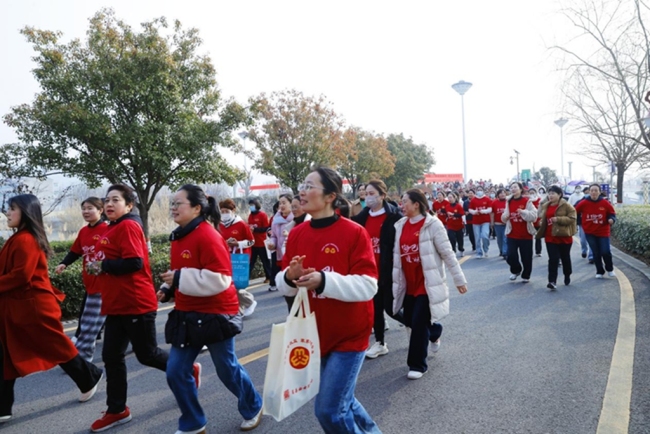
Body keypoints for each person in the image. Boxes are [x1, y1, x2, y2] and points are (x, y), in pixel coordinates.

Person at [277, 166, 381, 433]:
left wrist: (324, 281)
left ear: (330, 196)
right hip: (314, 334)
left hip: (350, 334)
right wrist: (290, 277)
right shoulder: (298, 233)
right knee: (342, 399)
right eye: (303, 185)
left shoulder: (354, 232)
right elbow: (286, 282)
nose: (302, 191)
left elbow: (368, 286)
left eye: (310, 186)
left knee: (329, 410)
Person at [87, 184, 197, 432]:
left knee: (146, 354)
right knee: (111, 356)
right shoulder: (113, 226)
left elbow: (134, 262)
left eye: (116, 200)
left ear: (129, 205)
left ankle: (187, 369)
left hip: (135, 303)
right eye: (107, 200)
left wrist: (103, 266)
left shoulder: (127, 225)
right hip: (117, 304)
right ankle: (117, 410)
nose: (109, 204)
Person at [158, 185, 263, 434]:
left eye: (178, 203)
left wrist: (179, 279)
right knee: (175, 371)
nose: (173, 208)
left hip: (216, 314)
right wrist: (168, 287)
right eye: (172, 203)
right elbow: (181, 271)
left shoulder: (208, 235)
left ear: (196, 208)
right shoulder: (179, 235)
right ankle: (194, 422)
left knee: (227, 369)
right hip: (186, 312)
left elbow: (220, 280)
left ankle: (253, 406)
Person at [0, 194, 103, 424]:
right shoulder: (19, 238)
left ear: (25, 212)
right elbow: (75, 252)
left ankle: (89, 377)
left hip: (33, 307)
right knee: (6, 353)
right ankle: (3, 406)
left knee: (56, 347)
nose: (8, 213)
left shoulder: (25, 239)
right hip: (21, 306)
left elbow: (20, 276)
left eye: (12, 209)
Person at [392, 189, 468, 380]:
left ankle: (418, 364)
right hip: (408, 284)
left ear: (416, 204)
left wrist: (459, 279)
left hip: (427, 284)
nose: (402, 205)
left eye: (405, 202)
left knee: (418, 323)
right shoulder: (400, 225)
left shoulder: (433, 225)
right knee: (409, 320)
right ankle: (435, 331)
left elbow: (448, 254)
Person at [351, 179, 402, 359]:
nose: (368, 197)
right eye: (366, 193)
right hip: (369, 272)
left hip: (389, 270)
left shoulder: (395, 217)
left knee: (391, 309)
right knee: (375, 308)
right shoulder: (361, 218)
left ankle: (423, 327)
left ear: (382, 195)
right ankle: (380, 342)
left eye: (372, 193)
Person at [55, 197, 109, 362]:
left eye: (90, 208)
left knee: (89, 326)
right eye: (84, 208)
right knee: (91, 323)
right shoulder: (84, 232)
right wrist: (64, 263)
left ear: (101, 210)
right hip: (90, 283)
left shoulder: (109, 229)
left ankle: (82, 362)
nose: (86, 211)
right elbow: (76, 251)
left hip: (106, 285)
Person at [219, 199, 257, 317]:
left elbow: (252, 241)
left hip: (240, 257)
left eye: (227, 211)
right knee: (228, 283)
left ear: (233, 210)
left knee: (236, 283)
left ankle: (249, 301)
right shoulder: (219, 224)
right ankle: (238, 308)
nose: (224, 213)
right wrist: (226, 243)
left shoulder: (241, 224)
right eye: (222, 211)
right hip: (226, 256)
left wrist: (238, 243)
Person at [536, 185, 577, 290]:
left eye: (553, 193)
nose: (550, 196)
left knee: (565, 258)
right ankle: (552, 281)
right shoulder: (546, 205)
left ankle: (567, 274)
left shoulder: (567, 206)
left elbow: (572, 218)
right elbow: (543, 217)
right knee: (553, 259)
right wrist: (542, 222)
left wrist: (558, 219)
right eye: (549, 193)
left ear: (559, 195)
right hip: (550, 237)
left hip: (564, 237)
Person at [574, 184, 617, 279]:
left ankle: (610, 269)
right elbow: (574, 212)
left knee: (605, 251)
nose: (593, 192)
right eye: (592, 190)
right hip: (590, 232)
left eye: (596, 190)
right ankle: (599, 271)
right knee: (596, 252)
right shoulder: (583, 203)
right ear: (589, 191)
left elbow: (612, 213)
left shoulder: (605, 203)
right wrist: (578, 222)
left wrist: (611, 219)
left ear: (599, 192)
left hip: (603, 231)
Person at [502, 182, 538, 283]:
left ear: (520, 189)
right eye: (511, 187)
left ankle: (526, 275)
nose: (513, 189)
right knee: (510, 255)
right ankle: (516, 270)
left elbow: (534, 216)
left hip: (525, 235)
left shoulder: (527, 201)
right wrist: (504, 217)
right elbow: (505, 216)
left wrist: (523, 212)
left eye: (515, 187)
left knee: (526, 257)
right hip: (512, 233)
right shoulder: (508, 201)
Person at [280, 195, 311, 311]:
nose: (293, 209)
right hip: (290, 275)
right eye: (292, 207)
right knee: (294, 313)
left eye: (296, 206)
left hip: (306, 273)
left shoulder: (310, 224)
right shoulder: (291, 227)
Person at [267, 194, 294, 292]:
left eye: (284, 203)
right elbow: (274, 236)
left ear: (291, 204)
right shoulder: (276, 218)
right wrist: (272, 244)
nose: (281, 205)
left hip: (293, 252)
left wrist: (290, 235)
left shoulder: (296, 218)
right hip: (280, 252)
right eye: (280, 203)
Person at [247, 199, 272, 285]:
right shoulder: (250, 216)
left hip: (261, 242)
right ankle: (245, 278)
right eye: (250, 205)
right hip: (253, 243)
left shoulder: (262, 215)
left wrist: (255, 229)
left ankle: (269, 277)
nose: (251, 207)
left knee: (265, 261)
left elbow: (266, 228)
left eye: (252, 205)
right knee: (250, 261)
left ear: (256, 205)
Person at [468, 186, 492, 258]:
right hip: (476, 222)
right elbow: (470, 209)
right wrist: (475, 212)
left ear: (483, 191)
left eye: (481, 190)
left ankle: (486, 249)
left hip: (485, 221)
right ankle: (479, 252)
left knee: (485, 236)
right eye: (478, 190)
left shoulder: (487, 199)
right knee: (477, 237)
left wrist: (483, 211)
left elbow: (490, 209)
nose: (479, 191)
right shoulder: (473, 200)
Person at [573, 187, 593, 262]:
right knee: (583, 240)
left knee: (592, 240)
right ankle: (584, 250)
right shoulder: (580, 202)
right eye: (586, 192)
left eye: (589, 192)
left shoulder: (595, 202)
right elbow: (574, 211)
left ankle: (591, 256)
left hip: (593, 224)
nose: (588, 194)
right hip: (582, 224)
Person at [444, 192, 465, 257]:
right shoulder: (447, 206)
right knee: (451, 238)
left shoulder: (458, 206)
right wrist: (447, 218)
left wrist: (453, 214)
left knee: (460, 239)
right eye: (448, 197)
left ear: (454, 198)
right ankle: (453, 250)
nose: (449, 199)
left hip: (458, 225)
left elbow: (462, 214)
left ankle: (461, 249)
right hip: (450, 225)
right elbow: (446, 214)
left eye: (451, 197)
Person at [491, 188, 508, 260]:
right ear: (498, 195)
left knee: (505, 238)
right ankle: (501, 250)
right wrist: (492, 222)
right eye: (501, 193)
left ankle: (505, 252)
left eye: (504, 193)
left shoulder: (508, 202)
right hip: (497, 224)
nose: (502, 194)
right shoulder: (494, 202)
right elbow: (492, 213)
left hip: (507, 224)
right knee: (499, 239)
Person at [526, 188, 543, 257]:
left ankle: (538, 251)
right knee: (529, 238)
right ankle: (528, 251)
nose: (532, 194)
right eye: (530, 193)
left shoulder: (540, 200)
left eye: (533, 192)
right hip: (530, 222)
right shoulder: (527, 201)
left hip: (538, 222)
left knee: (538, 237)